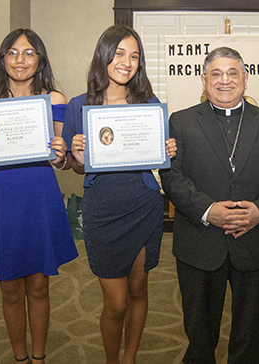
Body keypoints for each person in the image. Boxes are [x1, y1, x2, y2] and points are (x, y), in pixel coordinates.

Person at [160, 46, 259, 364]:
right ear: (204, 80)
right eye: (216, 73)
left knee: (251, 333)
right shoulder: (181, 122)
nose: (225, 80)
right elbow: (172, 177)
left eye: (233, 73)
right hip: (200, 242)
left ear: (246, 80)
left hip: (253, 240)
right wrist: (208, 211)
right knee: (199, 333)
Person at [0, 28, 78, 364]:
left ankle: (38, 358)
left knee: (38, 284)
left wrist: (60, 154)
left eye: (28, 52)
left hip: (37, 195)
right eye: (12, 52)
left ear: (40, 59)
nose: (20, 59)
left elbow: (61, 161)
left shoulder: (55, 100)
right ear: (2, 58)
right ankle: (20, 358)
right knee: (8, 286)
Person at [62, 25, 176, 364]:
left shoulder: (149, 104)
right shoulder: (78, 106)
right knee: (116, 303)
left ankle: (130, 358)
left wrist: (168, 149)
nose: (126, 62)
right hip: (103, 209)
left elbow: (159, 157)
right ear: (104, 56)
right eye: (119, 53)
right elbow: (74, 167)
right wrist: (76, 156)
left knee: (139, 290)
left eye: (134, 56)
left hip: (143, 203)